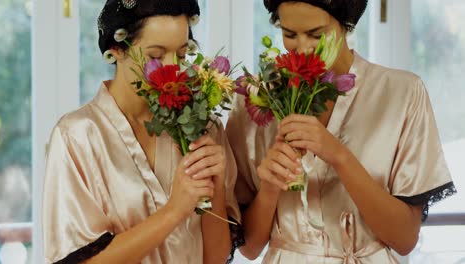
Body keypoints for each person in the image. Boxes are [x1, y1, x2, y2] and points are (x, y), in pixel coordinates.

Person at [226, 0, 456, 263]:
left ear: (346, 25)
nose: (302, 48)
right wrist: (269, 187)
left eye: (316, 34)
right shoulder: (257, 97)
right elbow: (251, 248)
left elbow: (405, 240)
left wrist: (339, 156)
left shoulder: (402, 93)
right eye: (289, 34)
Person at [43, 0, 241, 263]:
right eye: (156, 56)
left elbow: (214, 258)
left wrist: (215, 188)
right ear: (116, 50)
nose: (172, 69)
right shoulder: (76, 137)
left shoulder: (202, 127)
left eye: (181, 55)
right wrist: (174, 211)